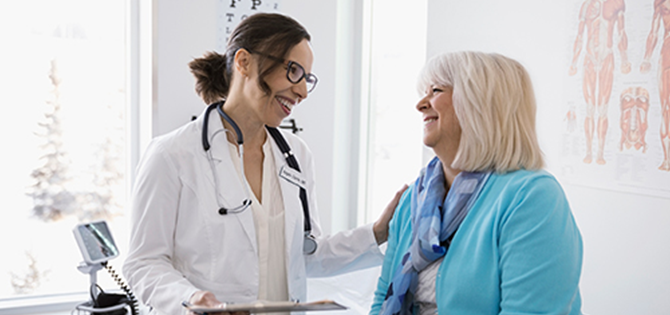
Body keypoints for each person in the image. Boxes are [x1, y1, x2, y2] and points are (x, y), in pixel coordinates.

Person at [122, 13, 405, 315]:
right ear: (244, 62)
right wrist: (190, 299)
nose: (303, 91)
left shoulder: (295, 155)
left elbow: (305, 254)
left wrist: (376, 232)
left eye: (307, 78)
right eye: (293, 71)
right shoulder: (172, 155)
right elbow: (142, 263)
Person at [370, 51, 583, 315]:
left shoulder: (532, 197)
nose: (421, 104)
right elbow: (382, 298)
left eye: (435, 90)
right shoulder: (414, 197)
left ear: (479, 104)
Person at [568, 0, 631, 165]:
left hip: (607, 58)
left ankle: (600, 152)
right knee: (590, 108)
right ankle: (589, 151)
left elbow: (621, 32)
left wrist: (624, 59)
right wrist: (573, 63)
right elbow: (579, 36)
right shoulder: (586, 5)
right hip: (589, 59)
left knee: (602, 108)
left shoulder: (617, 3)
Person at [640, 0, 670, 170]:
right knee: (666, 108)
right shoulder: (660, 4)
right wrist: (646, 58)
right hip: (667, 54)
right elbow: (654, 32)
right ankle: (667, 159)